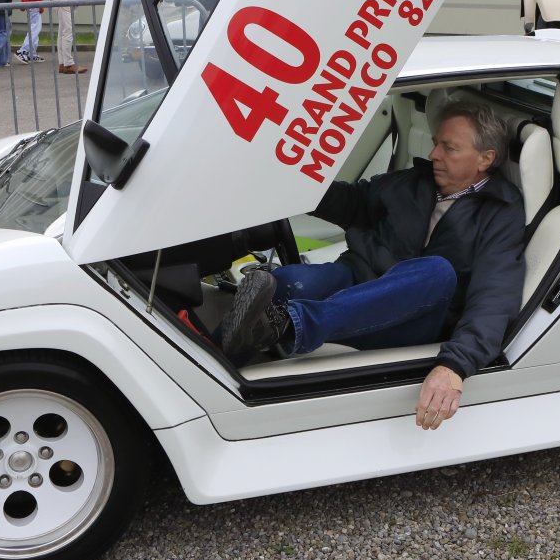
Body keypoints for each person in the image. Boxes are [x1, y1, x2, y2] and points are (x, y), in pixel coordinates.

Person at [218, 100, 526, 431]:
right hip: (360, 278)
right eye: (436, 143)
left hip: (414, 316)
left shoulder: (501, 212)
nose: (434, 153)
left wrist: (455, 365)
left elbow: (494, 296)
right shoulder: (415, 181)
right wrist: (296, 185)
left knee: (436, 270)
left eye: (448, 148)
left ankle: (291, 325)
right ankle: (210, 361)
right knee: (285, 280)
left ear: (485, 159)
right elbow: (355, 203)